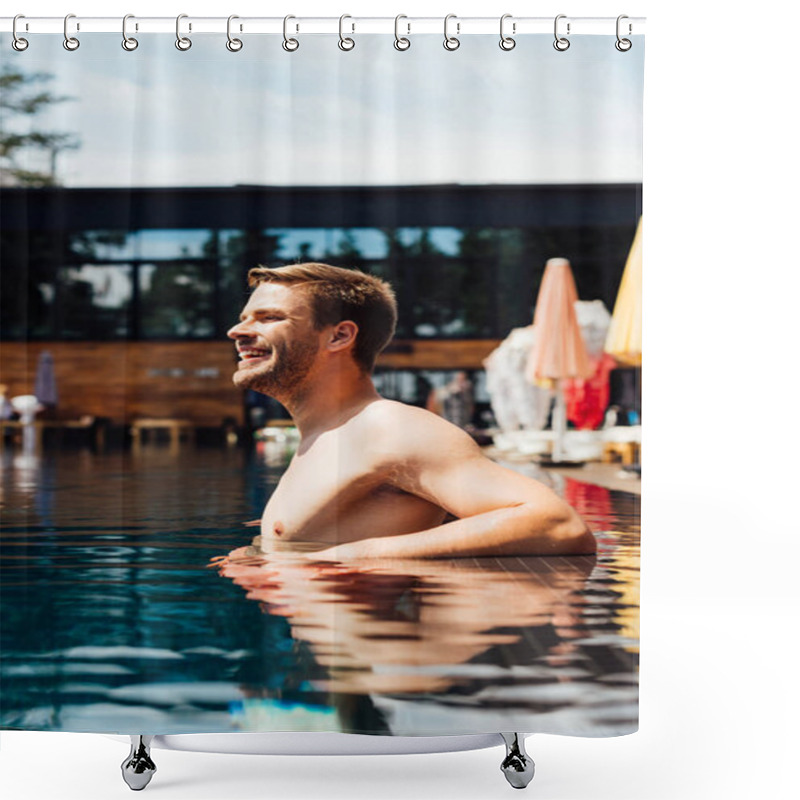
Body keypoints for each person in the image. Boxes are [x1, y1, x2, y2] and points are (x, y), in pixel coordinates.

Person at [227, 262, 595, 559]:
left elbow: (556, 524)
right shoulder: (328, 436)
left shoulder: (389, 428)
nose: (236, 331)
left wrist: (354, 556)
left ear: (339, 336)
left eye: (269, 317)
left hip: (379, 651)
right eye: (245, 317)